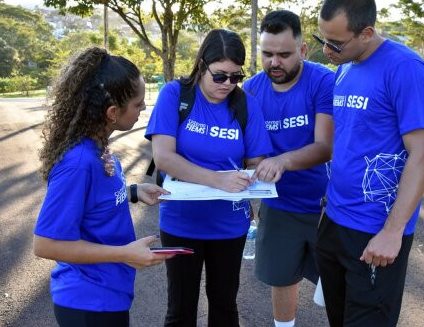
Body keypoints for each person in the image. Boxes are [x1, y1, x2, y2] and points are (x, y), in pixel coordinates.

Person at [313, 0, 424, 326]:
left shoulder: (405, 67)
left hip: (376, 232)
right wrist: (328, 208)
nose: (326, 50)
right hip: (335, 224)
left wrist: (393, 231)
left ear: (366, 33)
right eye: (322, 37)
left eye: (335, 42)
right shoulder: (344, 70)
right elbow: (350, 144)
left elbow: (423, 154)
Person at [34, 47, 173, 327]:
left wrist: (133, 192)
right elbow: (45, 244)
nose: (144, 108)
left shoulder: (98, 146)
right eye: (138, 103)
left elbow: (93, 200)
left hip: (108, 294)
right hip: (87, 303)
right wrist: (124, 253)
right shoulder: (79, 163)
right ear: (112, 112)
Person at [145, 29, 273, 327]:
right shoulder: (175, 95)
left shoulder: (245, 104)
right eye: (219, 76)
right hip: (181, 220)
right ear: (202, 65)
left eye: (235, 77)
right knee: (180, 308)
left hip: (229, 223)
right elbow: (164, 157)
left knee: (225, 305)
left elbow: (256, 160)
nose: (228, 84)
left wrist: (262, 169)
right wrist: (217, 180)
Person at [242, 10, 334, 327]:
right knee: (282, 277)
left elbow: (325, 147)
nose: (274, 62)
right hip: (278, 205)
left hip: (325, 206)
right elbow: (245, 152)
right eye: (267, 54)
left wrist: (282, 161)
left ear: (303, 50)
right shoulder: (251, 91)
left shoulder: (322, 81)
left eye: (284, 54)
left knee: (339, 285)